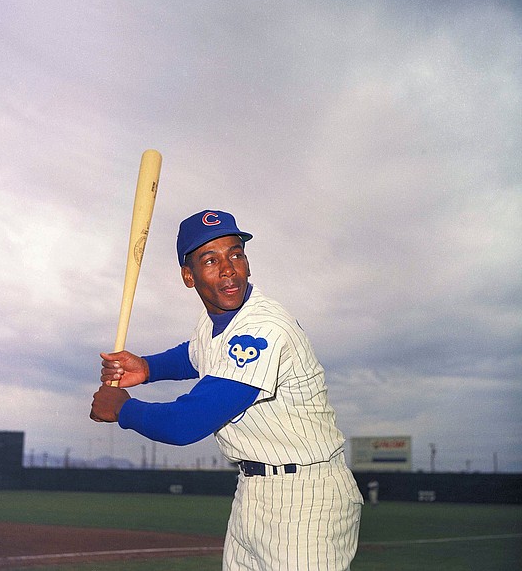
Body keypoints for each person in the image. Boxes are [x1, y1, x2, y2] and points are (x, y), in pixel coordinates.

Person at [91, 209, 363, 570]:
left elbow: (187, 422)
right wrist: (147, 367)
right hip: (252, 490)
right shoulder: (216, 320)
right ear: (189, 277)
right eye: (210, 259)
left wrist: (122, 408)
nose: (229, 268)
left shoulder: (264, 327)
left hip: (307, 496)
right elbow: (193, 353)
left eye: (236, 254)